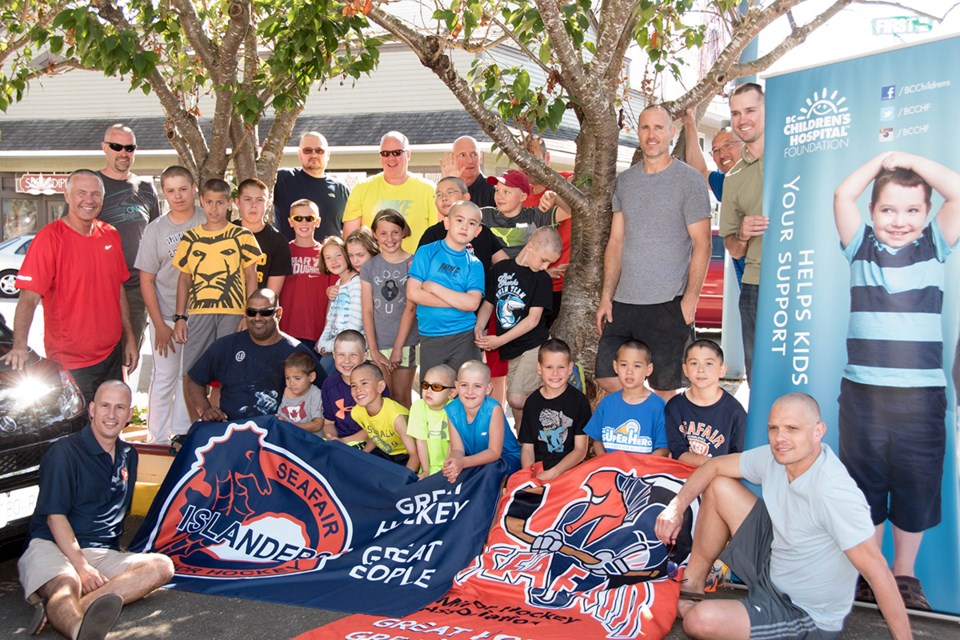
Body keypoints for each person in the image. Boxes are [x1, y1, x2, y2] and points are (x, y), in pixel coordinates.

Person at [655, 393, 913, 640]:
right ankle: (694, 583)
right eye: (773, 428)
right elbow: (714, 466)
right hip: (775, 562)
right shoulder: (774, 457)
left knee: (699, 621)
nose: (780, 438)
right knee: (719, 484)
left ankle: (689, 608)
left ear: (818, 431)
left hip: (802, 612)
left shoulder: (834, 492)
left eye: (792, 428)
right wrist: (676, 507)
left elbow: (879, 574)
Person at [833, 151, 960, 609]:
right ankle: (871, 571)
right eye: (888, 209)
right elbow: (842, 194)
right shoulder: (859, 247)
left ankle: (903, 576)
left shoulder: (935, 245)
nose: (900, 220)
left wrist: (910, 161)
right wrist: (881, 163)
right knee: (865, 485)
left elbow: (958, 192)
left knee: (915, 483)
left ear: (927, 214)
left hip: (921, 396)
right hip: (863, 394)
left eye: (912, 210)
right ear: (872, 213)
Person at [18, 381, 174, 640]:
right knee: (67, 583)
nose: (111, 415)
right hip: (52, 543)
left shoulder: (128, 454)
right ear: (91, 409)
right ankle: (81, 630)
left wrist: (106, 558)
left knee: (161, 566)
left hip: (99, 551)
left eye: (120, 407)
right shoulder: (64, 452)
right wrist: (82, 567)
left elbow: (111, 513)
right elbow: (55, 518)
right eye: (105, 406)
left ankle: (67, 609)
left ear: (129, 413)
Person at [595, 104, 711, 400]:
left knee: (665, 388)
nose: (652, 134)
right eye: (645, 128)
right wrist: (606, 296)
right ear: (639, 133)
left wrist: (691, 298)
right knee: (608, 376)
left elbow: (702, 243)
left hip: (668, 303)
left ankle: (657, 444)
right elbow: (616, 241)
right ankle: (643, 423)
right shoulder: (626, 181)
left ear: (672, 132)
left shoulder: (689, 181)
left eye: (659, 127)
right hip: (624, 301)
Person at [2, 170, 139, 403]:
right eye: (81, 193)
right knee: (78, 430)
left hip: (112, 353)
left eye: (96, 194)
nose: (89, 200)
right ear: (67, 196)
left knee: (110, 422)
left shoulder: (110, 234)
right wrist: (19, 346)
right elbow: (29, 299)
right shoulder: (49, 238)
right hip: (72, 361)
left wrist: (130, 338)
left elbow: (118, 290)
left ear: (102, 198)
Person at [172, 178, 262, 418]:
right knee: (191, 371)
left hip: (232, 312)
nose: (214, 208)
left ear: (229, 204)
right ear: (201, 201)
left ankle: (223, 424)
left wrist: (249, 314)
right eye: (209, 202)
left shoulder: (242, 236)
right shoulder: (190, 238)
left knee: (228, 372)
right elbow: (184, 279)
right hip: (199, 312)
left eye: (219, 203)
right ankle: (196, 425)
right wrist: (180, 317)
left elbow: (250, 277)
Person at [135, 165, 205, 444]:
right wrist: (159, 325)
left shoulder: (207, 220)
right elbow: (146, 280)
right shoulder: (156, 230)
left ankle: (181, 433)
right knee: (164, 377)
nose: (178, 196)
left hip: (201, 316)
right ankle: (157, 437)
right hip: (165, 315)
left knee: (188, 377)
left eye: (183, 189)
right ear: (163, 193)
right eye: (171, 190)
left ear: (194, 189)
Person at [184, 289, 320, 421]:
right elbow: (194, 380)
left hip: (276, 435)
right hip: (231, 431)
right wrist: (205, 409)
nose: (257, 318)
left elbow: (325, 389)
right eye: (251, 312)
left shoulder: (297, 351)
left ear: (278, 313)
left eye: (265, 312)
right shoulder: (227, 345)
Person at [476, 226, 561, 425]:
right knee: (517, 403)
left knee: (516, 397)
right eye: (543, 259)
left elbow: (533, 320)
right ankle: (525, 443)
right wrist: (479, 327)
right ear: (530, 246)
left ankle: (553, 404)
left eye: (550, 262)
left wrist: (499, 340)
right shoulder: (500, 269)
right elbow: (489, 303)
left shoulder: (541, 279)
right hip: (511, 348)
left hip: (533, 345)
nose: (545, 266)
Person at [97, 124, 161, 351]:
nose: (123, 153)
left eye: (129, 148)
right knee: (100, 355)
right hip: (100, 287)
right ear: (105, 148)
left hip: (136, 288)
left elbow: (156, 235)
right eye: (117, 146)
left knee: (129, 354)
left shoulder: (146, 187)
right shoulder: (91, 185)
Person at [719, 83, 767, 379]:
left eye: (750, 110)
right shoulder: (733, 177)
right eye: (736, 113)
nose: (742, 119)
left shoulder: (797, 155)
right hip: (755, 285)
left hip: (801, 280)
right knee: (758, 376)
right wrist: (743, 235)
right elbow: (732, 247)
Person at [407, 201, 485, 381]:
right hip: (430, 336)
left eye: (472, 223)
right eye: (459, 220)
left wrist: (434, 287)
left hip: (463, 336)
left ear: (477, 231)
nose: (465, 226)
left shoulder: (474, 264)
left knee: (464, 393)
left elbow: (472, 303)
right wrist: (458, 302)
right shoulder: (427, 252)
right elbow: (413, 293)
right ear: (447, 223)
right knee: (433, 393)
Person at [342, 131, 438, 251]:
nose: (391, 158)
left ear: (408, 154)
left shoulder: (429, 190)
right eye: (385, 153)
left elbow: (438, 238)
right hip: (374, 267)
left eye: (397, 153)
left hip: (416, 267)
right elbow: (350, 239)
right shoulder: (361, 188)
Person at [362, 209, 419, 408]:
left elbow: (411, 309)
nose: (390, 238)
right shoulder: (369, 267)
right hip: (378, 343)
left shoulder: (413, 264)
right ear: (375, 234)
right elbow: (367, 310)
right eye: (383, 233)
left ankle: (408, 441)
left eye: (395, 232)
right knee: (384, 401)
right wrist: (374, 350)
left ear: (403, 232)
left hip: (405, 343)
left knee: (402, 399)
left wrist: (397, 349)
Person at [518, 339, 591, 482]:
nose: (555, 373)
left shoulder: (579, 401)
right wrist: (529, 476)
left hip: (570, 470)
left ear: (570, 368)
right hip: (539, 471)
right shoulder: (532, 403)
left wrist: (554, 473)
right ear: (539, 368)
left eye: (561, 367)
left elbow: (581, 450)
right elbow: (527, 448)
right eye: (549, 367)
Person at [665, 339, 746, 467]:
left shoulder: (735, 412)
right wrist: (714, 465)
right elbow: (678, 452)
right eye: (693, 363)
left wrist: (714, 468)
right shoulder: (674, 407)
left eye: (708, 363)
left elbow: (738, 457)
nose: (700, 369)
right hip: (681, 476)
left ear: (722, 370)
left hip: (718, 479)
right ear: (685, 369)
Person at [585, 339, 668, 457]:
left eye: (637, 366)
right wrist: (605, 461)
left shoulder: (658, 405)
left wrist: (641, 469)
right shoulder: (607, 403)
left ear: (648, 369)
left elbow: (663, 448)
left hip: (644, 471)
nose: (629, 372)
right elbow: (597, 441)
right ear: (615, 366)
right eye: (624, 365)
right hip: (610, 469)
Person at [443, 360, 522, 483]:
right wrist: (453, 463)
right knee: (453, 475)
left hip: (505, 459)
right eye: (464, 385)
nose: (470, 391)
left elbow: (494, 453)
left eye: (477, 386)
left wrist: (462, 462)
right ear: (457, 386)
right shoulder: (452, 410)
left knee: (488, 473)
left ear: (488, 388)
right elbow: (458, 449)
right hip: (474, 461)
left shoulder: (493, 409)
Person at [522, 134, 573, 324]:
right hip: (533, 286)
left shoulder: (567, 181)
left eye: (533, 159)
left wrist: (554, 196)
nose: (529, 167)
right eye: (522, 161)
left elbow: (575, 208)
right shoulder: (520, 197)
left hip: (567, 288)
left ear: (547, 158)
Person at [278, 199, 336, 351]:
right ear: (291, 222)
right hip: (286, 331)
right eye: (298, 218)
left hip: (316, 332)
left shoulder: (327, 254)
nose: (304, 222)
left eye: (309, 218)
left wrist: (326, 333)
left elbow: (334, 298)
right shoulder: (282, 251)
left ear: (317, 222)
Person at [418, 176, 509, 272]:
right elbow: (420, 270)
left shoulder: (483, 231)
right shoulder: (432, 234)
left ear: (466, 197)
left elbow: (504, 264)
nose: (444, 198)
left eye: (450, 192)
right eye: (439, 195)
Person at [273, 131, 350, 242]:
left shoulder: (340, 190)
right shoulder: (283, 179)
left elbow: (349, 230)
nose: (314, 155)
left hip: (328, 258)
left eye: (319, 151)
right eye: (307, 150)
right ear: (299, 154)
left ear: (328, 154)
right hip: (291, 257)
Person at [482, 169, 568, 259]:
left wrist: (555, 197)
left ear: (522, 197)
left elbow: (569, 212)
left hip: (525, 271)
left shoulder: (535, 216)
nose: (499, 196)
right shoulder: (485, 215)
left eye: (506, 192)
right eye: (497, 190)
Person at [350, 362, 420, 473]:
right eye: (353, 385)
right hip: (385, 452)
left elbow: (415, 455)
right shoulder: (356, 412)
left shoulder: (397, 417)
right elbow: (375, 436)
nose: (358, 389)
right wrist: (363, 455)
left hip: (405, 455)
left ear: (380, 387)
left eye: (364, 383)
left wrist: (404, 480)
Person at [321, 330, 381, 447]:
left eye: (353, 355)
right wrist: (333, 439)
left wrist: (344, 442)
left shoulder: (375, 385)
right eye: (341, 355)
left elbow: (378, 427)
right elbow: (329, 423)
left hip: (372, 444)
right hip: (339, 442)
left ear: (364, 356)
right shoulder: (329, 384)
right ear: (334, 355)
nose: (347, 361)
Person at [235, 178, 292, 295]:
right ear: (237, 202)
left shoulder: (278, 241)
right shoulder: (225, 233)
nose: (253, 205)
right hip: (226, 308)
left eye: (260, 200)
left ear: (267, 204)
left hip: (257, 309)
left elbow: (271, 294)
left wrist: (257, 312)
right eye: (247, 199)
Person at [315, 236, 363, 375]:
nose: (333, 261)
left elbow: (355, 326)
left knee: (322, 379)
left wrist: (330, 347)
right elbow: (331, 320)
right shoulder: (338, 283)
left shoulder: (356, 283)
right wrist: (322, 342)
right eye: (328, 258)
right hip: (334, 347)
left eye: (338, 255)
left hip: (348, 349)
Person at [407, 365, 458, 479]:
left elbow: (453, 445)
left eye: (436, 387)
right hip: (429, 467)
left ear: (452, 392)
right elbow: (421, 441)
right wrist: (425, 470)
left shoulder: (455, 409)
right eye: (425, 385)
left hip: (451, 467)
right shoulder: (418, 407)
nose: (428, 391)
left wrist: (445, 471)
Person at [440, 135, 496, 208]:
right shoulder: (447, 189)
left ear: (481, 157)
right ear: (453, 158)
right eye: (462, 155)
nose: (469, 161)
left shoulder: (494, 192)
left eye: (473, 154)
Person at [277, 351, 325, 434]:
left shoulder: (315, 394)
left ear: (311, 377)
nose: (291, 383)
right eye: (287, 378)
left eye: (297, 378)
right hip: (292, 437)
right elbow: (282, 416)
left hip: (311, 440)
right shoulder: (288, 391)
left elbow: (317, 425)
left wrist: (290, 426)